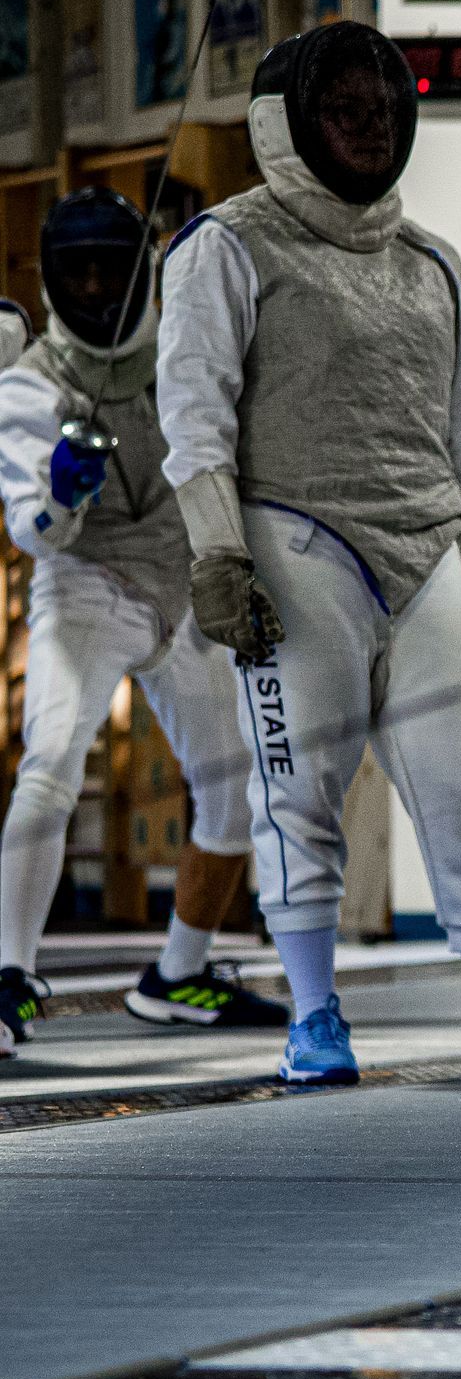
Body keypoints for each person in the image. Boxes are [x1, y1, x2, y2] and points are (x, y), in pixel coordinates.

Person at [156, 22, 461, 1090]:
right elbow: (195, 416)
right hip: (289, 539)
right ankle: (313, 1013)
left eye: (383, 111)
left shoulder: (428, 258)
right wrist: (220, 554)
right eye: (345, 112)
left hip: (423, 545)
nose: (369, 128)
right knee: (297, 788)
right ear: (290, 125)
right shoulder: (227, 244)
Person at [0, 187, 283, 1050]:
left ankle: (181, 972)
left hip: (192, 582)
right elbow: (30, 531)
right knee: (48, 766)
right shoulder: (29, 381)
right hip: (89, 586)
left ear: (144, 269)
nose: (92, 285)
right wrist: (60, 489)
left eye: (109, 267)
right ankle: (8, 975)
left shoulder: (184, 346)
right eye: (76, 269)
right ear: (50, 278)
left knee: (234, 784)